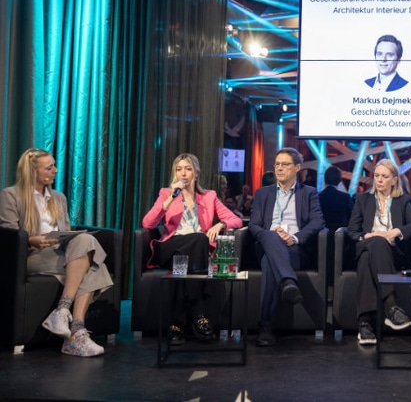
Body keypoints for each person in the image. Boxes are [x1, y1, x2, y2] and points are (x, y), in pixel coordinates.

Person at [0, 148, 114, 357]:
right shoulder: (10, 196)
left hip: (59, 251)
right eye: (49, 167)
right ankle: (76, 335)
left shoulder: (58, 198)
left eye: (54, 166)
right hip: (31, 255)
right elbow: (8, 235)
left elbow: (66, 231)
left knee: (85, 240)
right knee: (95, 266)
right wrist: (32, 239)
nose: (56, 170)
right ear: (32, 171)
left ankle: (63, 313)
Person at [143, 153, 242, 345]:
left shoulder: (208, 196)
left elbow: (235, 220)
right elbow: (147, 223)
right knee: (199, 238)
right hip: (169, 247)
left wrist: (220, 224)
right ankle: (199, 313)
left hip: (190, 254)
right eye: (179, 169)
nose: (183, 173)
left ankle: (176, 324)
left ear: (196, 173)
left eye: (188, 169)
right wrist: (170, 199)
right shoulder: (166, 193)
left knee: (190, 253)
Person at [249, 147, 325, 347]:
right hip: (267, 243)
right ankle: (288, 282)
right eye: (277, 164)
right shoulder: (263, 193)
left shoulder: (309, 193)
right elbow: (254, 225)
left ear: (297, 167)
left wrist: (295, 238)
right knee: (270, 235)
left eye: (285, 164)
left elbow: (318, 221)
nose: (279, 168)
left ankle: (265, 327)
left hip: (294, 249)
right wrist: (273, 236)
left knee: (269, 263)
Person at [347, 159, 411, 345]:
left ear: (394, 180)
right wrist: (369, 235)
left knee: (367, 258)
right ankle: (391, 307)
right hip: (367, 243)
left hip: (392, 253)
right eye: (377, 176)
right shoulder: (362, 199)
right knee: (375, 243)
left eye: (384, 177)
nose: (379, 180)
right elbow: (352, 230)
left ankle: (364, 324)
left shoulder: (402, 201)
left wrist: (396, 231)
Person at [319, 166, 355, 274]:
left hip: (320, 239)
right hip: (342, 239)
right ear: (339, 180)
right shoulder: (345, 197)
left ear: (325, 179)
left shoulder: (317, 196)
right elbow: (352, 217)